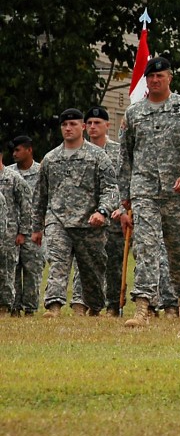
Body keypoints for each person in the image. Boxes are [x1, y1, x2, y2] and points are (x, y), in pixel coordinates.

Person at [118, 56, 180, 328]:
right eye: (151, 77)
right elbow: (126, 155)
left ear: (170, 77)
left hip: (178, 193)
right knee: (145, 247)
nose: (155, 80)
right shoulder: (134, 113)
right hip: (144, 191)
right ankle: (143, 307)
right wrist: (125, 195)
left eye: (160, 76)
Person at [33, 108, 119, 316]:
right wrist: (37, 227)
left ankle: (94, 307)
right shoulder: (51, 159)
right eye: (64, 125)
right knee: (57, 262)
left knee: (92, 272)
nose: (68, 128)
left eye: (73, 124)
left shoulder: (98, 156)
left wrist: (102, 211)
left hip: (90, 224)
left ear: (82, 127)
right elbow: (40, 196)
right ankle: (53, 307)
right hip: (58, 221)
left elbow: (111, 189)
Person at [83, 106, 127, 315]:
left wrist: (121, 208)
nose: (93, 127)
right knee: (90, 264)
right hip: (89, 219)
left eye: (97, 123)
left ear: (107, 126)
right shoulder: (81, 153)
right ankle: (91, 304)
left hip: (114, 218)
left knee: (114, 264)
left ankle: (113, 305)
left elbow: (123, 183)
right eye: (89, 123)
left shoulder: (118, 152)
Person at [0, 142, 33, 315]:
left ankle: (6, 306)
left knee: (7, 270)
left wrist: (23, 232)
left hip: (9, 233)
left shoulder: (13, 178)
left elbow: (27, 207)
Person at [9, 136, 40, 315]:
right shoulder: (9, 173)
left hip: (34, 230)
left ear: (29, 150)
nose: (14, 154)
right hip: (13, 230)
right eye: (13, 151)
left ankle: (30, 309)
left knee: (32, 269)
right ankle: (13, 307)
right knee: (12, 269)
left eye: (18, 150)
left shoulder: (41, 171)